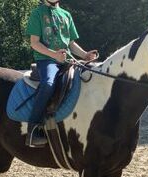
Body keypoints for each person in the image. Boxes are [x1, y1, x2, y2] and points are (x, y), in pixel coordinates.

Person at [25, 0, 97, 147]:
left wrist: (84, 55)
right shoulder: (37, 14)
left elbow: (70, 44)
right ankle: (33, 129)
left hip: (66, 59)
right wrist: (54, 55)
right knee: (48, 84)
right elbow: (34, 43)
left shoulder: (66, 14)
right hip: (46, 60)